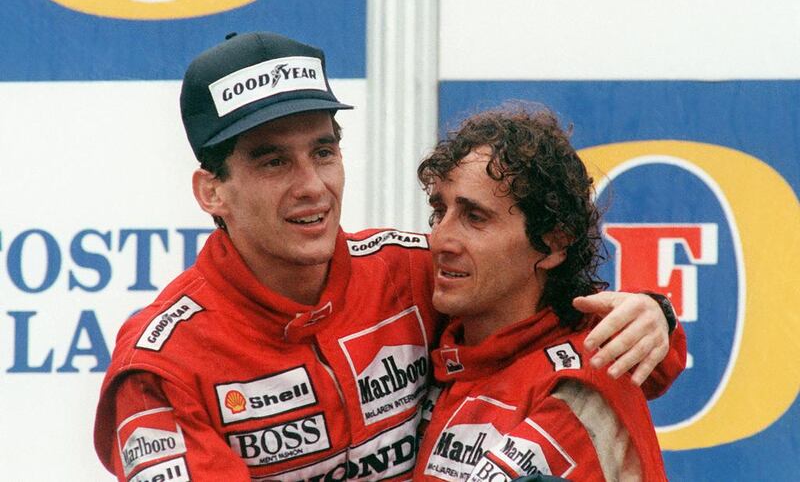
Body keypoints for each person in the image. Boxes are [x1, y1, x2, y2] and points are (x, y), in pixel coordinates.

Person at [93, 32, 684, 481]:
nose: (312, 186)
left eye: (323, 152)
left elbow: (540, 320)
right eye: (273, 161)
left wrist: (655, 315)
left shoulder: (409, 272)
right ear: (211, 191)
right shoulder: (160, 368)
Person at [413, 104, 685, 482]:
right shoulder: (436, 338)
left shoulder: (580, 386)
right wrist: (659, 312)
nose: (440, 239)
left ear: (554, 245)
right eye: (439, 212)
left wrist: (660, 314)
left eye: (475, 218)